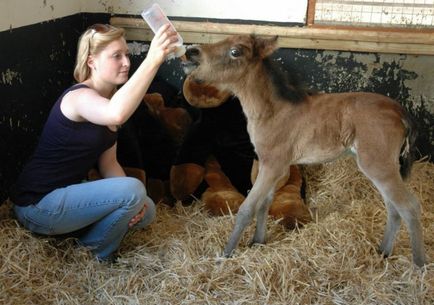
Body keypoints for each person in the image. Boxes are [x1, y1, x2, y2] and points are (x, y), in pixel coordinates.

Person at [10, 23, 179, 261]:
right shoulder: (79, 97)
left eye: (127, 55)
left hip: (67, 196)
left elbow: (109, 164)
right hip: (38, 205)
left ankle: (86, 236)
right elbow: (116, 113)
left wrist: (136, 202)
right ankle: (94, 253)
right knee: (134, 190)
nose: (126, 63)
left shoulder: (108, 100)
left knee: (147, 209)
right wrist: (153, 59)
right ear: (92, 62)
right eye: (116, 56)